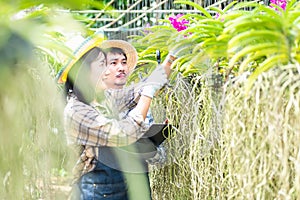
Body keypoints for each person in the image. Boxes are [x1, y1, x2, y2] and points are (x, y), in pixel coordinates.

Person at [57, 32, 177, 200]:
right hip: (96, 190)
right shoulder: (77, 111)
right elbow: (122, 134)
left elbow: (143, 87)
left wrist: (171, 59)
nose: (107, 71)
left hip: (122, 182)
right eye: (101, 65)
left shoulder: (105, 98)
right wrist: (148, 95)